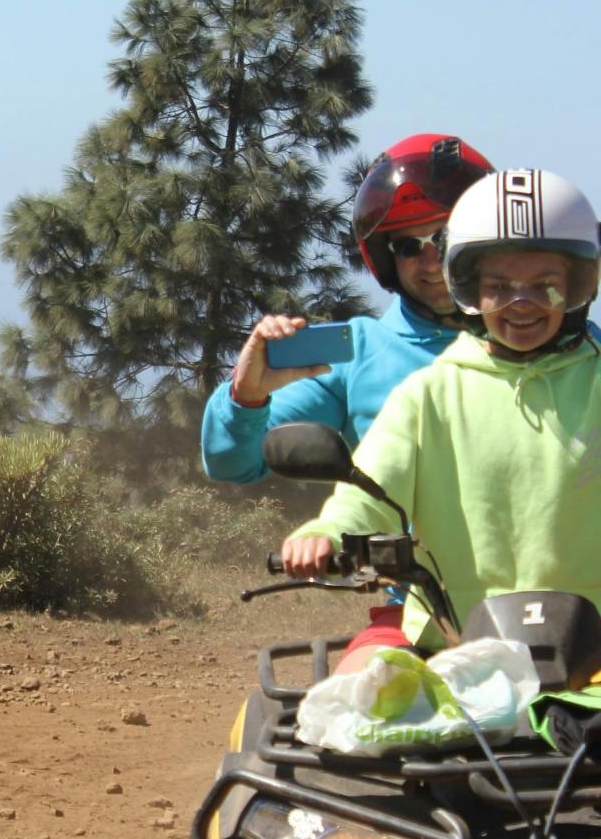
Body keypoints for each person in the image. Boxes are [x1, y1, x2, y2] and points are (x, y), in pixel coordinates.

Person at [280, 168, 601, 675]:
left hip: (594, 654)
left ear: (581, 285)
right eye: (499, 286)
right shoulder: (430, 395)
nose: (521, 303)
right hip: (448, 644)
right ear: (469, 288)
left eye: (546, 287)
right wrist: (328, 529)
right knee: (351, 698)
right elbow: (370, 492)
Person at [204, 133, 493, 658]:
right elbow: (231, 462)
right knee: (358, 713)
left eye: (446, 238)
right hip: (420, 615)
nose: (430, 261)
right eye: (408, 246)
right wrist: (246, 398)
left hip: (570, 604)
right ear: (386, 258)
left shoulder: (569, 351)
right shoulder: (358, 355)